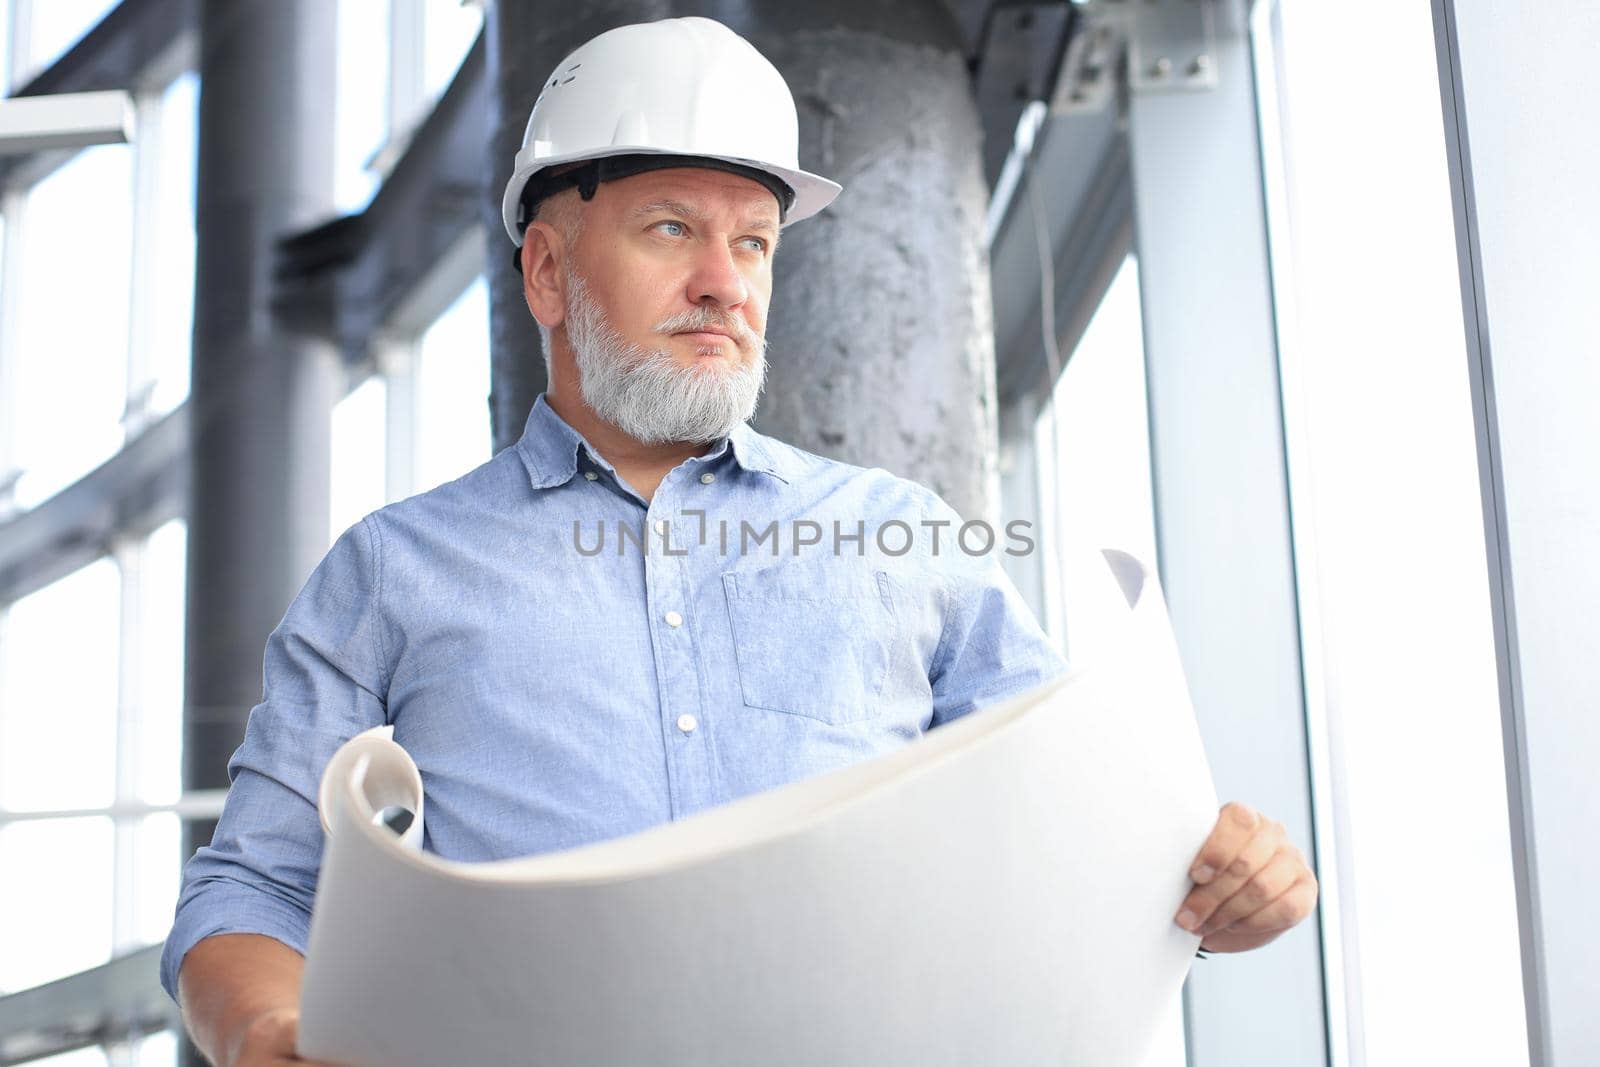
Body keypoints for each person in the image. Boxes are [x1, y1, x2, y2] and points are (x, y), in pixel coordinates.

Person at [161, 16, 1316, 1066]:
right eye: (673, 230)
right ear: (549, 272)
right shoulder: (390, 572)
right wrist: (265, 1027)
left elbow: (1078, 825)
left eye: (754, 244)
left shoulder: (900, 539)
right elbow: (253, 887)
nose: (725, 284)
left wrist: (1223, 881)